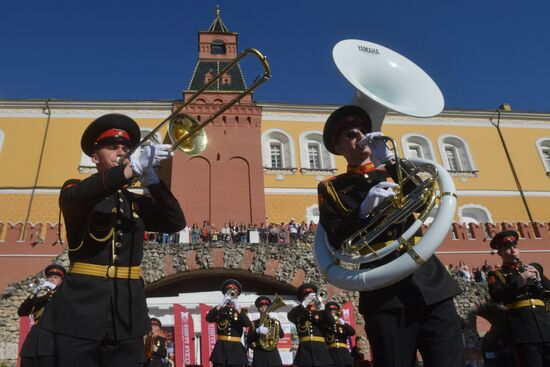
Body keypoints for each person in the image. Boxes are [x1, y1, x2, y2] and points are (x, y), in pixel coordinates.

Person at [317, 105, 464, 367]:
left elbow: (423, 199)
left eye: (364, 131)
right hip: (382, 288)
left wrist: (391, 164)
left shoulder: (393, 169)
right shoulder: (331, 187)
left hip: (428, 279)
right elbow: (337, 238)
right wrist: (362, 211)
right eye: (352, 134)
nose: (361, 137)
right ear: (338, 146)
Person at [39, 113, 186, 366]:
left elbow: (175, 222)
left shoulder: (133, 201)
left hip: (128, 310)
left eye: (125, 148)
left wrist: (152, 180)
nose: (121, 151)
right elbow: (85, 194)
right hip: (81, 307)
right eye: (112, 147)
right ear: (95, 158)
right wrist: (130, 170)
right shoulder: (74, 189)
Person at [487, 230, 550, 367]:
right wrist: (519, 282)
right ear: (500, 253)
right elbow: (497, 296)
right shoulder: (497, 274)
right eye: (508, 249)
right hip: (523, 330)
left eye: (515, 247)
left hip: (545, 324)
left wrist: (540, 279)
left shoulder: (531, 269)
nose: (513, 251)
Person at [18, 264, 66, 367]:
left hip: (50, 344)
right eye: (50, 277)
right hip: (33, 343)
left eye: (56, 277)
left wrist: (55, 290)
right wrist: (34, 293)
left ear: (61, 282)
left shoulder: (63, 297)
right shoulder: (40, 300)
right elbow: (22, 312)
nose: (52, 279)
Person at [206, 279, 251, 367]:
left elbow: (247, 323)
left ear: (237, 295)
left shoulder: (239, 312)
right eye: (229, 292)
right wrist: (221, 303)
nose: (231, 295)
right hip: (221, 349)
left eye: (233, 293)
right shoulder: (221, 310)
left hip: (235, 349)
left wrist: (237, 306)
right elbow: (209, 318)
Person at [287, 283, 333, 367]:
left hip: (321, 350)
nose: (309, 297)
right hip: (305, 351)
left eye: (311, 295)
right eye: (306, 295)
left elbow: (331, 322)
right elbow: (290, 316)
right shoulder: (299, 312)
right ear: (302, 298)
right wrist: (304, 304)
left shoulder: (321, 312)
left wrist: (323, 308)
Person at [247, 296, 285, 367]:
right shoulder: (254, 323)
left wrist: (277, 321)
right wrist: (256, 332)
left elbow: (281, 335)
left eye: (265, 306)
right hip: (259, 355)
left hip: (273, 355)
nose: (263, 308)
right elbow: (248, 339)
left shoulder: (274, 321)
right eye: (261, 307)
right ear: (258, 309)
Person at [324, 302, 355, 367]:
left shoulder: (342, 325)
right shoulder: (325, 325)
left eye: (335, 309)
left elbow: (352, 332)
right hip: (331, 353)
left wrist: (342, 321)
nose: (332, 312)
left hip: (343, 353)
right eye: (330, 310)